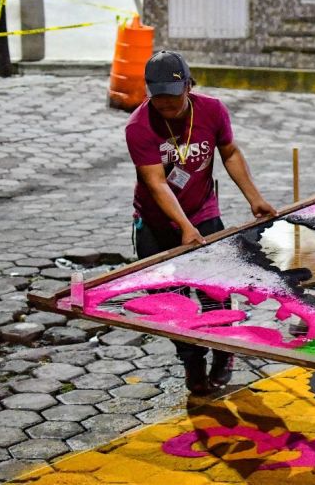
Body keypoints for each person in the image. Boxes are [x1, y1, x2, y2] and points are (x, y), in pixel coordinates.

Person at [125, 50, 276, 396]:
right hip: (156, 223)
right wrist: (182, 227)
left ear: (189, 86)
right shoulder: (138, 127)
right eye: (158, 96)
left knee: (214, 291)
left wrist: (254, 198)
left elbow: (230, 153)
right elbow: (157, 182)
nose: (166, 103)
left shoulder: (212, 110)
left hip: (204, 213)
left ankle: (223, 352)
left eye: (173, 96)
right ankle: (192, 360)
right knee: (169, 303)